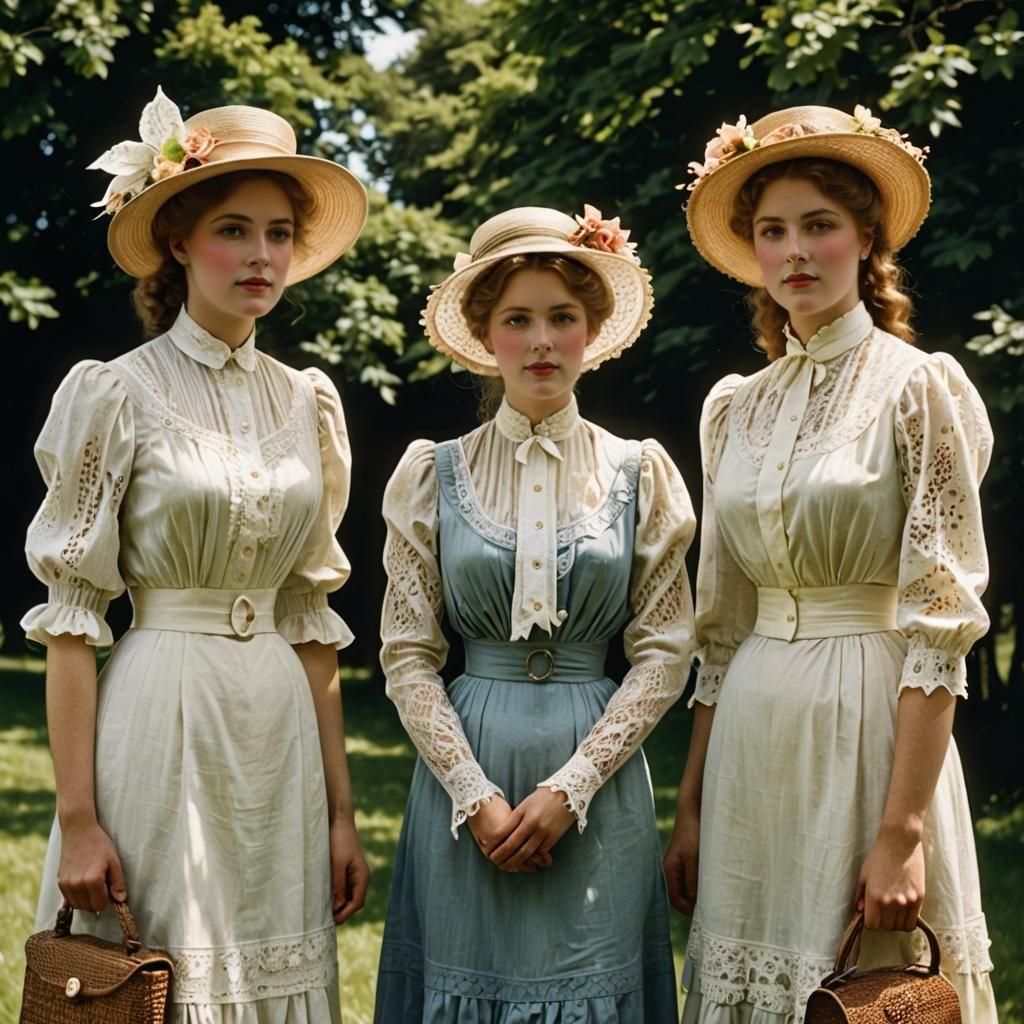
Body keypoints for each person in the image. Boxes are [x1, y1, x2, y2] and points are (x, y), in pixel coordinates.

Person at [22, 87, 371, 1023]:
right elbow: (70, 618)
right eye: (232, 229)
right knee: (162, 975)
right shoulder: (115, 395)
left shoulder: (309, 404)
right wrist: (79, 821)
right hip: (160, 714)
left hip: (277, 735)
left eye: (277, 233)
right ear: (178, 243)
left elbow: (311, 621)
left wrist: (341, 811)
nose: (261, 255)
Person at [664, 104, 997, 1021]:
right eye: (773, 230)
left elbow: (941, 622)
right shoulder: (734, 408)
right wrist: (690, 806)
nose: (796, 251)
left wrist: (902, 833)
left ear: (865, 240)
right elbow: (720, 632)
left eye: (819, 225)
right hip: (752, 743)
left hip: (872, 726)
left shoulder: (916, 386)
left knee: (868, 993)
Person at [373, 205, 696, 1022]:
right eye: (518, 319)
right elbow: (408, 652)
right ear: (486, 335)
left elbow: (664, 650)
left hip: (598, 777)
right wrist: (471, 792)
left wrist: (574, 786)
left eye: (563, 317)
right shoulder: (431, 474)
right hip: (464, 776)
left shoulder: (639, 473)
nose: (543, 340)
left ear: (592, 331)